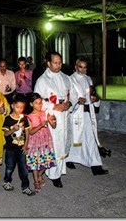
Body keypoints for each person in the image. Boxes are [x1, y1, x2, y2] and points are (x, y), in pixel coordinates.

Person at [34, 51, 76, 188]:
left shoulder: (66, 78)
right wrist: (54, 106)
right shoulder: (42, 80)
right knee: (53, 145)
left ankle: (60, 169)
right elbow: (37, 101)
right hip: (52, 117)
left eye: (60, 62)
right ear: (48, 63)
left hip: (64, 116)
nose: (58, 65)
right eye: (55, 63)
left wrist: (69, 104)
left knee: (62, 143)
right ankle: (53, 174)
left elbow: (73, 96)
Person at [66, 58, 109, 175]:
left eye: (85, 67)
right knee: (74, 138)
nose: (83, 70)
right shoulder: (70, 79)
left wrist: (95, 99)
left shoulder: (89, 79)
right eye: (80, 67)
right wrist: (76, 101)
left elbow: (93, 94)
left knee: (90, 138)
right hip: (76, 113)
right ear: (75, 67)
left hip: (88, 112)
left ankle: (96, 166)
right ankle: (69, 159)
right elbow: (68, 97)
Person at [1, 94, 35, 196]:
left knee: (24, 168)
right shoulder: (8, 119)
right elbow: (5, 134)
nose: (19, 110)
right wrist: (13, 130)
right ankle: (7, 181)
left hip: (21, 149)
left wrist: (26, 145)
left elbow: (28, 132)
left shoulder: (24, 119)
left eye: (22, 107)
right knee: (9, 167)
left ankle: (25, 187)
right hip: (11, 148)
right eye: (17, 107)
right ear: (12, 106)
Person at [25, 93, 57, 193]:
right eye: (36, 103)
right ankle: (36, 181)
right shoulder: (29, 117)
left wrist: (53, 121)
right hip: (35, 142)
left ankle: (39, 175)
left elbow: (54, 126)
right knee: (35, 162)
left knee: (46, 160)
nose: (39, 105)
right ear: (31, 104)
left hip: (45, 140)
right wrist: (40, 125)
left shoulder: (45, 113)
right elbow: (30, 132)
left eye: (40, 103)